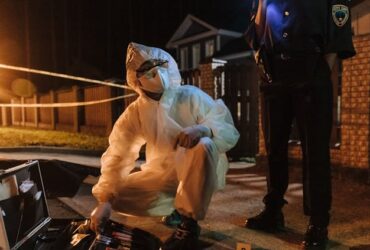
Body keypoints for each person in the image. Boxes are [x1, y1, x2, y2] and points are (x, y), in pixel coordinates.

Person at [90, 42, 239, 250]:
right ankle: (176, 210)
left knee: (203, 145)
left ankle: (188, 226)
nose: (156, 72)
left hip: (197, 169)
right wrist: (104, 201)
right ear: (136, 78)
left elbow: (225, 126)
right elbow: (118, 153)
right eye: (146, 69)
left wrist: (203, 130)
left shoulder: (189, 96)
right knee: (117, 194)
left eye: (159, 64)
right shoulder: (136, 113)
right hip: (162, 173)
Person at [244, 0, 356, 248]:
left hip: (311, 69)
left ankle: (318, 223)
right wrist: (259, 54)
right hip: (273, 72)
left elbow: (339, 28)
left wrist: (319, 73)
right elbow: (256, 25)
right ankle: (273, 211)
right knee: (274, 148)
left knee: (315, 152)